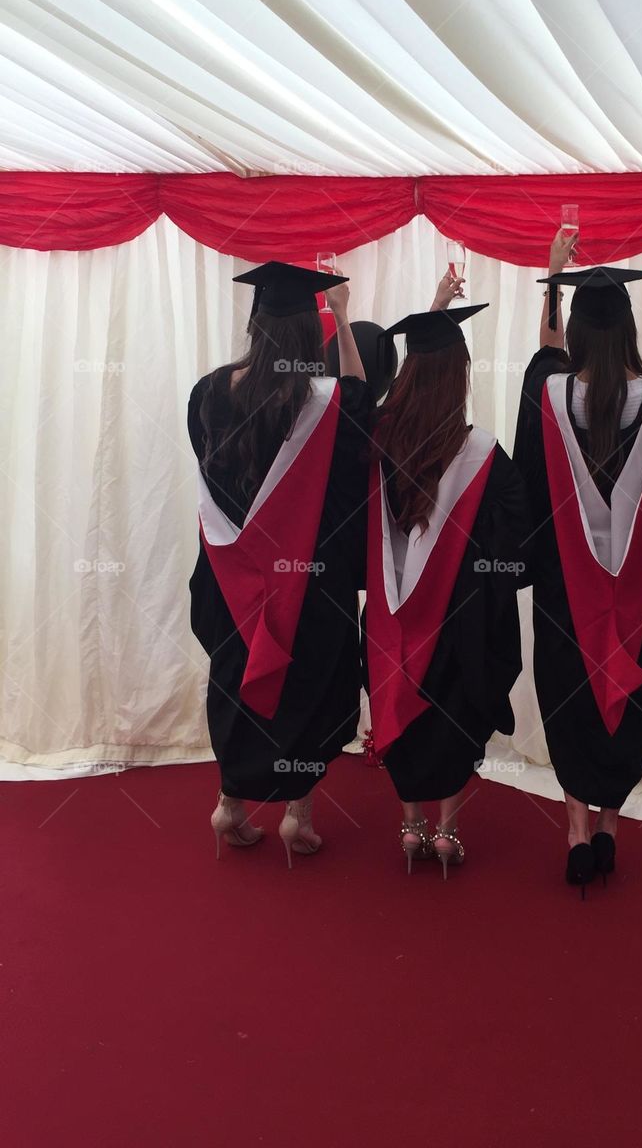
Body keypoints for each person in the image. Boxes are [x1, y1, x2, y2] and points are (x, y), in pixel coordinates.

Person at [513, 231, 642, 895]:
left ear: (575, 332)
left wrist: (553, 276)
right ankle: (608, 827)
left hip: (564, 601)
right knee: (625, 710)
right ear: (630, 328)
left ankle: (576, 831)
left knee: (571, 706)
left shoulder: (546, 399)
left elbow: (526, 492)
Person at [188, 261, 371, 868]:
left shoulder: (208, 392)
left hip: (232, 579)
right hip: (305, 581)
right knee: (307, 687)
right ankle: (299, 813)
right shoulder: (325, 402)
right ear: (305, 334)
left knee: (236, 678)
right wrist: (342, 315)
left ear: (255, 323)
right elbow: (361, 404)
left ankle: (228, 806)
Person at [363, 274, 529, 878]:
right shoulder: (482, 453)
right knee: (455, 715)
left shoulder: (378, 438)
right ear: (460, 378)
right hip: (460, 619)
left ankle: (410, 825)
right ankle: (447, 833)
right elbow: (520, 535)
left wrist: (433, 314)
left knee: (400, 706)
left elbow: (398, 389)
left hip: (390, 612)